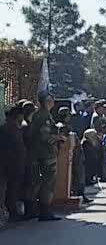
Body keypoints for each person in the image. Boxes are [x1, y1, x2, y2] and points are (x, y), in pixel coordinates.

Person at [26, 93, 62, 221]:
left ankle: (31, 209)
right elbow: (45, 136)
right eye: (51, 100)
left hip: (36, 153)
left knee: (36, 182)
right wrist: (58, 137)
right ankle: (44, 210)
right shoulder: (44, 116)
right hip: (45, 154)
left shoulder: (37, 115)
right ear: (47, 102)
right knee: (48, 182)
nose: (53, 102)